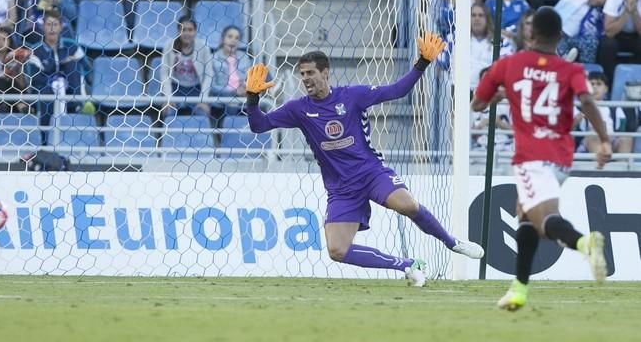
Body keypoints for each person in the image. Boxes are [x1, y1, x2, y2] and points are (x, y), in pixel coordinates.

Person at [244, 35, 484, 287]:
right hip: (341, 188)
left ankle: (452, 243)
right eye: (301, 74)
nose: (305, 79)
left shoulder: (352, 96)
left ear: (325, 73)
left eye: (310, 73)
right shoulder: (298, 109)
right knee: (337, 251)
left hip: (370, 172)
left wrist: (422, 62)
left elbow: (396, 90)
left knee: (407, 205)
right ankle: (408, 264)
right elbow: (259, 125)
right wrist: (252, 99)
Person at [471, 7, 610, 311]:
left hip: (531, 158)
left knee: (544, 222)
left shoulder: (509, 65)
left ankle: (583, 243)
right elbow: (586, 101)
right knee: (524, 216)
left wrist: (498, 96)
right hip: (561, 159)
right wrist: (604, 140)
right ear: (560, 36)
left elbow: (477, 104)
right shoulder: (571, 71)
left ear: (530, 33)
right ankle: (518, 290)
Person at [26, 11, 88, 134]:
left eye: (55, 24)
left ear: (61, 27)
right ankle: (45, 136)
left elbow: (86, 68)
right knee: (50, 89)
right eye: (48, 24)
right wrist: (56, 77)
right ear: (43, 27)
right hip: (45, 89)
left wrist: (69, 62)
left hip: (71, 88)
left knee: (72, 64)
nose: (52, 28)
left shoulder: (72, 46)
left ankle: (75, 106)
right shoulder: (35, 50)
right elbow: (35, 78)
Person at [555, 0, 622, 63]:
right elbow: (595, 0)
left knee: (591, 43)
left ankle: (586, 71)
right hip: (560, 30)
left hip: (581, 37)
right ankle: (563, 59)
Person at [160, 17, 213, 117]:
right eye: (183, 30)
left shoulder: (203, 47)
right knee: (168, 112)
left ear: (195, 31)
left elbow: (209, 74)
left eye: (190, 30)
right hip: (175, 87)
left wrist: (203, 99)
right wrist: (168, 97)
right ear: (178, 31)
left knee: (202, 113)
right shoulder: (169, 45)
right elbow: (164, 73)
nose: (187, 33)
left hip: (196, 88)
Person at [598, 0, 641, 84]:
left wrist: (635, 11)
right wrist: (626, 12)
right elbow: (609, 32)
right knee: (607, 44)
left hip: (636, 36)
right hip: (617, 35)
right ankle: (608, 83)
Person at [574, 71, 633, 153]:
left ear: (605, 89)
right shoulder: (578, 107)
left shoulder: (615, 108)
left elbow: (621, 131)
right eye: (592, 84)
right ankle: (601, 164)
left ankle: (621, 165)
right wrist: (578, 118)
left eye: (599, 84)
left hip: (611, 140)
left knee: (626, 138)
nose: (594, 87)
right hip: (587, 143)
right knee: (593, 135)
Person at [210, 26, 253, 125]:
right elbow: (212, 87)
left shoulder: (244, 57)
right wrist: (234, 91)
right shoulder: (213, 58)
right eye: (230, 37)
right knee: (232, 101)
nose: (233, 40)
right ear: (222, 39)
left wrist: (245, 87)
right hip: (222, 96)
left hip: (243, 94)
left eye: (237, 38)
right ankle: (228, 132)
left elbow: (249, 76)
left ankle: (271, 90)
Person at [470, 4, 514, 90]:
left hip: (490, 91)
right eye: (473, 15)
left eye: (481, 15)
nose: (477, 18)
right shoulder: (455, 39)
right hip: (460, 93)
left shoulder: (502, 41)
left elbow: (506, 66)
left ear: (487, 19)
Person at [471, 67, 513, 152]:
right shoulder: (473, 104)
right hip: (479, 150)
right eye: (484, 82)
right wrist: (482, 125)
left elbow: (519, 132)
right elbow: (465, 136)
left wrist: (500, 123)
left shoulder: (508, 103)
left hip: (505, 149)